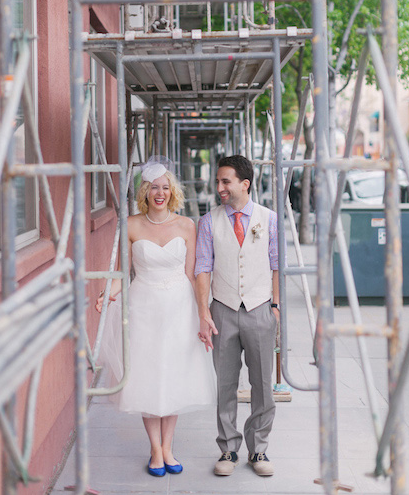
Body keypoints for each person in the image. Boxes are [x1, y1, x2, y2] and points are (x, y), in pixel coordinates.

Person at [96, 159, 216, 477]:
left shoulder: (187, 225)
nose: (159, 193)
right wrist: (108, 292)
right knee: (147, 376)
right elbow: (123, 271)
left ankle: (168, 447)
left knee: (174, 375)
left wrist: (203, 313)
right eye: (153, 188)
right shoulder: (131, 225)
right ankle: (154, 449)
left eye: (164, 187)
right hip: (143, 306)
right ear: (145, 192)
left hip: (180, 307)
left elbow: (193, 275)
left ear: (171, 191)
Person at [195, 154, 281, 477]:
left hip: (260, 308)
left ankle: (258, 449)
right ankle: (228, 449)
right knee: (226, 384)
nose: (219, 188)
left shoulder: (269, 219)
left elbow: (276, 266)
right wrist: (204, 310)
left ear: (245, 184)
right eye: (218, 181)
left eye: (225, 181)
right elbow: (202, 268)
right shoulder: (208, 221)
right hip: (223, 309)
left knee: (262, 384)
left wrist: (275, 307)